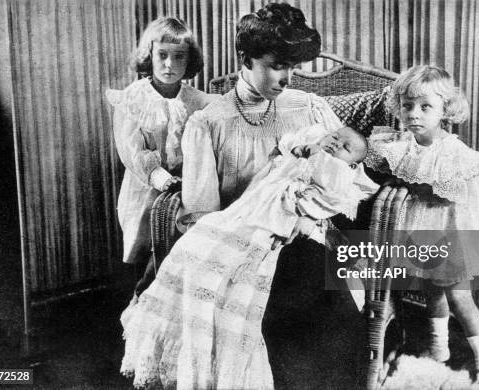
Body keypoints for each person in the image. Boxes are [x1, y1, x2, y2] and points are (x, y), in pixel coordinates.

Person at [177, 3, 368, 388]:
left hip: (305, 238)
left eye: (293, 66)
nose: (288, 77)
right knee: (270, 314)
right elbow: (200, 214)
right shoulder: (209, 123)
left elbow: (354, 182)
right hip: (241, 246)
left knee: (332, 306)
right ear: (246, 58)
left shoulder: (311, 108)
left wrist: (306, 214)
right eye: (277, 65)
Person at [120, 123, 379, 389]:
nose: (336, 144)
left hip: (293, 222)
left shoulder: (338, 171)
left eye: (345, 147)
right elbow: (281, 158)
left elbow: (332, 198)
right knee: (204, 241)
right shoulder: (302, 149)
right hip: (254, 212)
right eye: (335, 137)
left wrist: (307, 214)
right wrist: (302, 151)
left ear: (353, 164)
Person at [367, 65, 479, 386]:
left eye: (426, 107)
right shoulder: (403, 143)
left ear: (445, 110)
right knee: (430, 291)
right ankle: (439, 349)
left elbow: (450, 191)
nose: (415, 114)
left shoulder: (452, 152)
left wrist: (415, 180)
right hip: (421, 228)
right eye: (408, 106)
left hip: (451, 231)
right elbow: (386, 166)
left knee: (459, 298)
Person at [106, 17, 217, 297]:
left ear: (189, 60)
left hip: (185, 186)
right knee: (148, 247)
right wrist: (159, 176)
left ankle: (170, 301)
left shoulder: (196, 99)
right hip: (144, 188)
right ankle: (141, 302)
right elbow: (131, 150)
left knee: (181, 242)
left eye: (179, 57)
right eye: (162, 56)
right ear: (149, 56)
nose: (170, 65)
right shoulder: (134, 98)